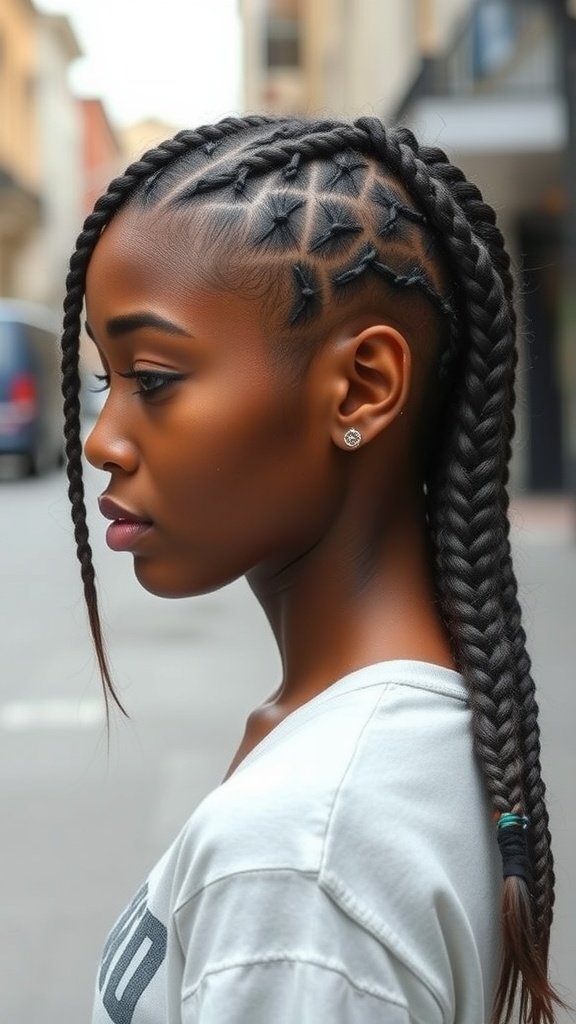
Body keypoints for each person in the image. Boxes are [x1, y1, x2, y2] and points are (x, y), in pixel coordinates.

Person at [60, 115, 562, 1024]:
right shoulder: (407, 741)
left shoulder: (299, 860)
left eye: (155, 377)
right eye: (108, 379)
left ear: (364, 386)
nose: (102, 441)